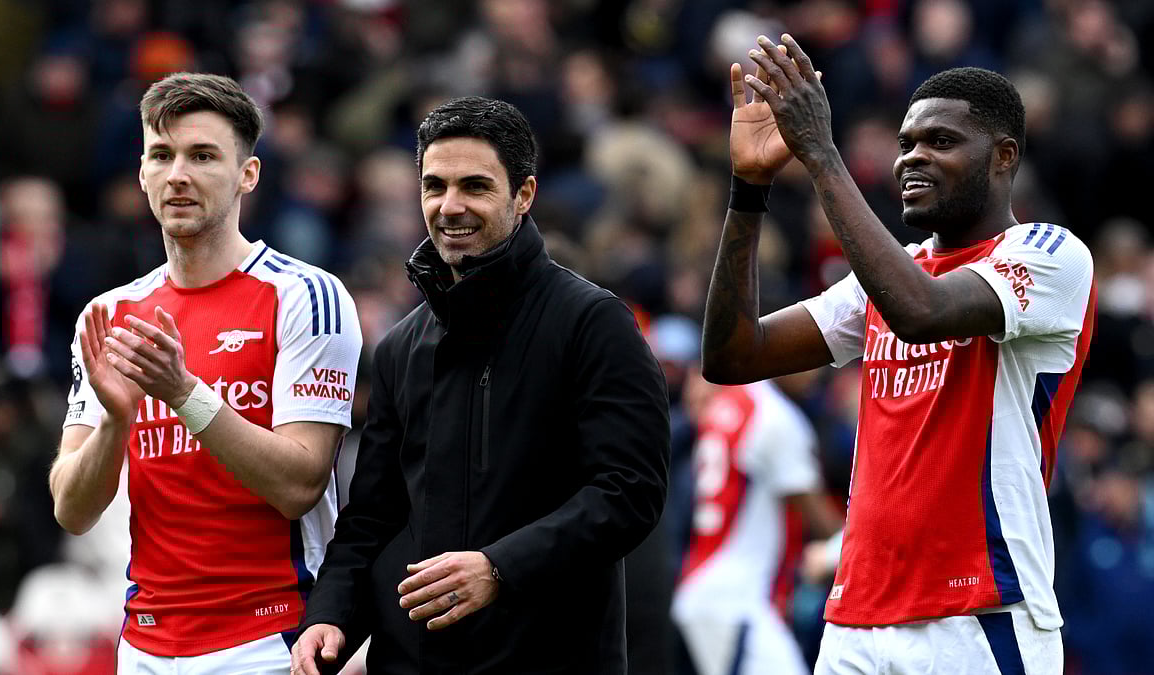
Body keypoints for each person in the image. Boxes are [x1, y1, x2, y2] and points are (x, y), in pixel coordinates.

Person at [701, 35, 1095, 675]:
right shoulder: (890, 275)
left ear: (1003, 157)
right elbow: (732, 355)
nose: (912, 158)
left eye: (940, 142)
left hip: (979, 616)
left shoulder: (1051, 253)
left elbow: (924, 314)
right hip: (855, 618)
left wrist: (822, 154)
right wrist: (750, 189)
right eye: (906, 143)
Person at [290, 96, 670, 675]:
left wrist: (499, 568)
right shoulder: (399, 348)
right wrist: (332, 616)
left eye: (474, 186)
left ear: (524, 195)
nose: (450, 206)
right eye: (434, 186)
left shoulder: (593, 321)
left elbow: (629, 492)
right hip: (413, 661)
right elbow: (372, 518)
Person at [49, 73, 361, 673]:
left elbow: (300, 486)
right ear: (141, 174)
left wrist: (183, 392)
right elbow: (72, 509)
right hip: (143, 643)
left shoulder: (305, 295)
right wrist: (117, 421)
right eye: (161, 156)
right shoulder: (112, 314)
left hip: (270, 639)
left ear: (249, 175)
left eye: (203, 155)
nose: (178, 175)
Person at [673, 377, 843, 675]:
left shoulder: (733, 398)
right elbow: (821, 521)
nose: (818, 369)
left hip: (711, 582)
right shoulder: (775, 416)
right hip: (736, 597)